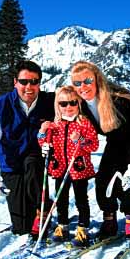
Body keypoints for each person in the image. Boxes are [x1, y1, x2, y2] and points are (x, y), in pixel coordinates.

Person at [70, 61, 130, 240]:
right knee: (103, 180)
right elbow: (57, 99)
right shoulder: (79, 102)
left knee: (125, 181)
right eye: (77, 83)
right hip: (116, 142)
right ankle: (109, 219)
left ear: (97, 80)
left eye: (87, 81)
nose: (83, 87)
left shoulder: (120, 102)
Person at [0, 60, 55, 240]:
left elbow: (76, 101)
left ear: (40, 83)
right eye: (24, 82)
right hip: (12, 166)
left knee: (32, 162)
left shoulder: (50, 102)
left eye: (34, 82)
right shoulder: (1, 105)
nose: (29, 86)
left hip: (38, 163)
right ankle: (32, 214)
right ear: (15, 82)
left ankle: (43, 208)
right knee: (23, 227)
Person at [37, 86, 98, 247]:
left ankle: (82, 228)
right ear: (58, 105)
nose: (68, 107)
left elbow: (94, 145)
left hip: (78, 169)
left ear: (78, 103)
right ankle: (62, 226)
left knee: (81, 199)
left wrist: (80, 140)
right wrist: (42, 133)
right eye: (63, 104)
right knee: (60, 199)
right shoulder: (54, 125)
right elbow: (43, 142)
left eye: (72, 103)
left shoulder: (84, 123)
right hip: (60, 167)